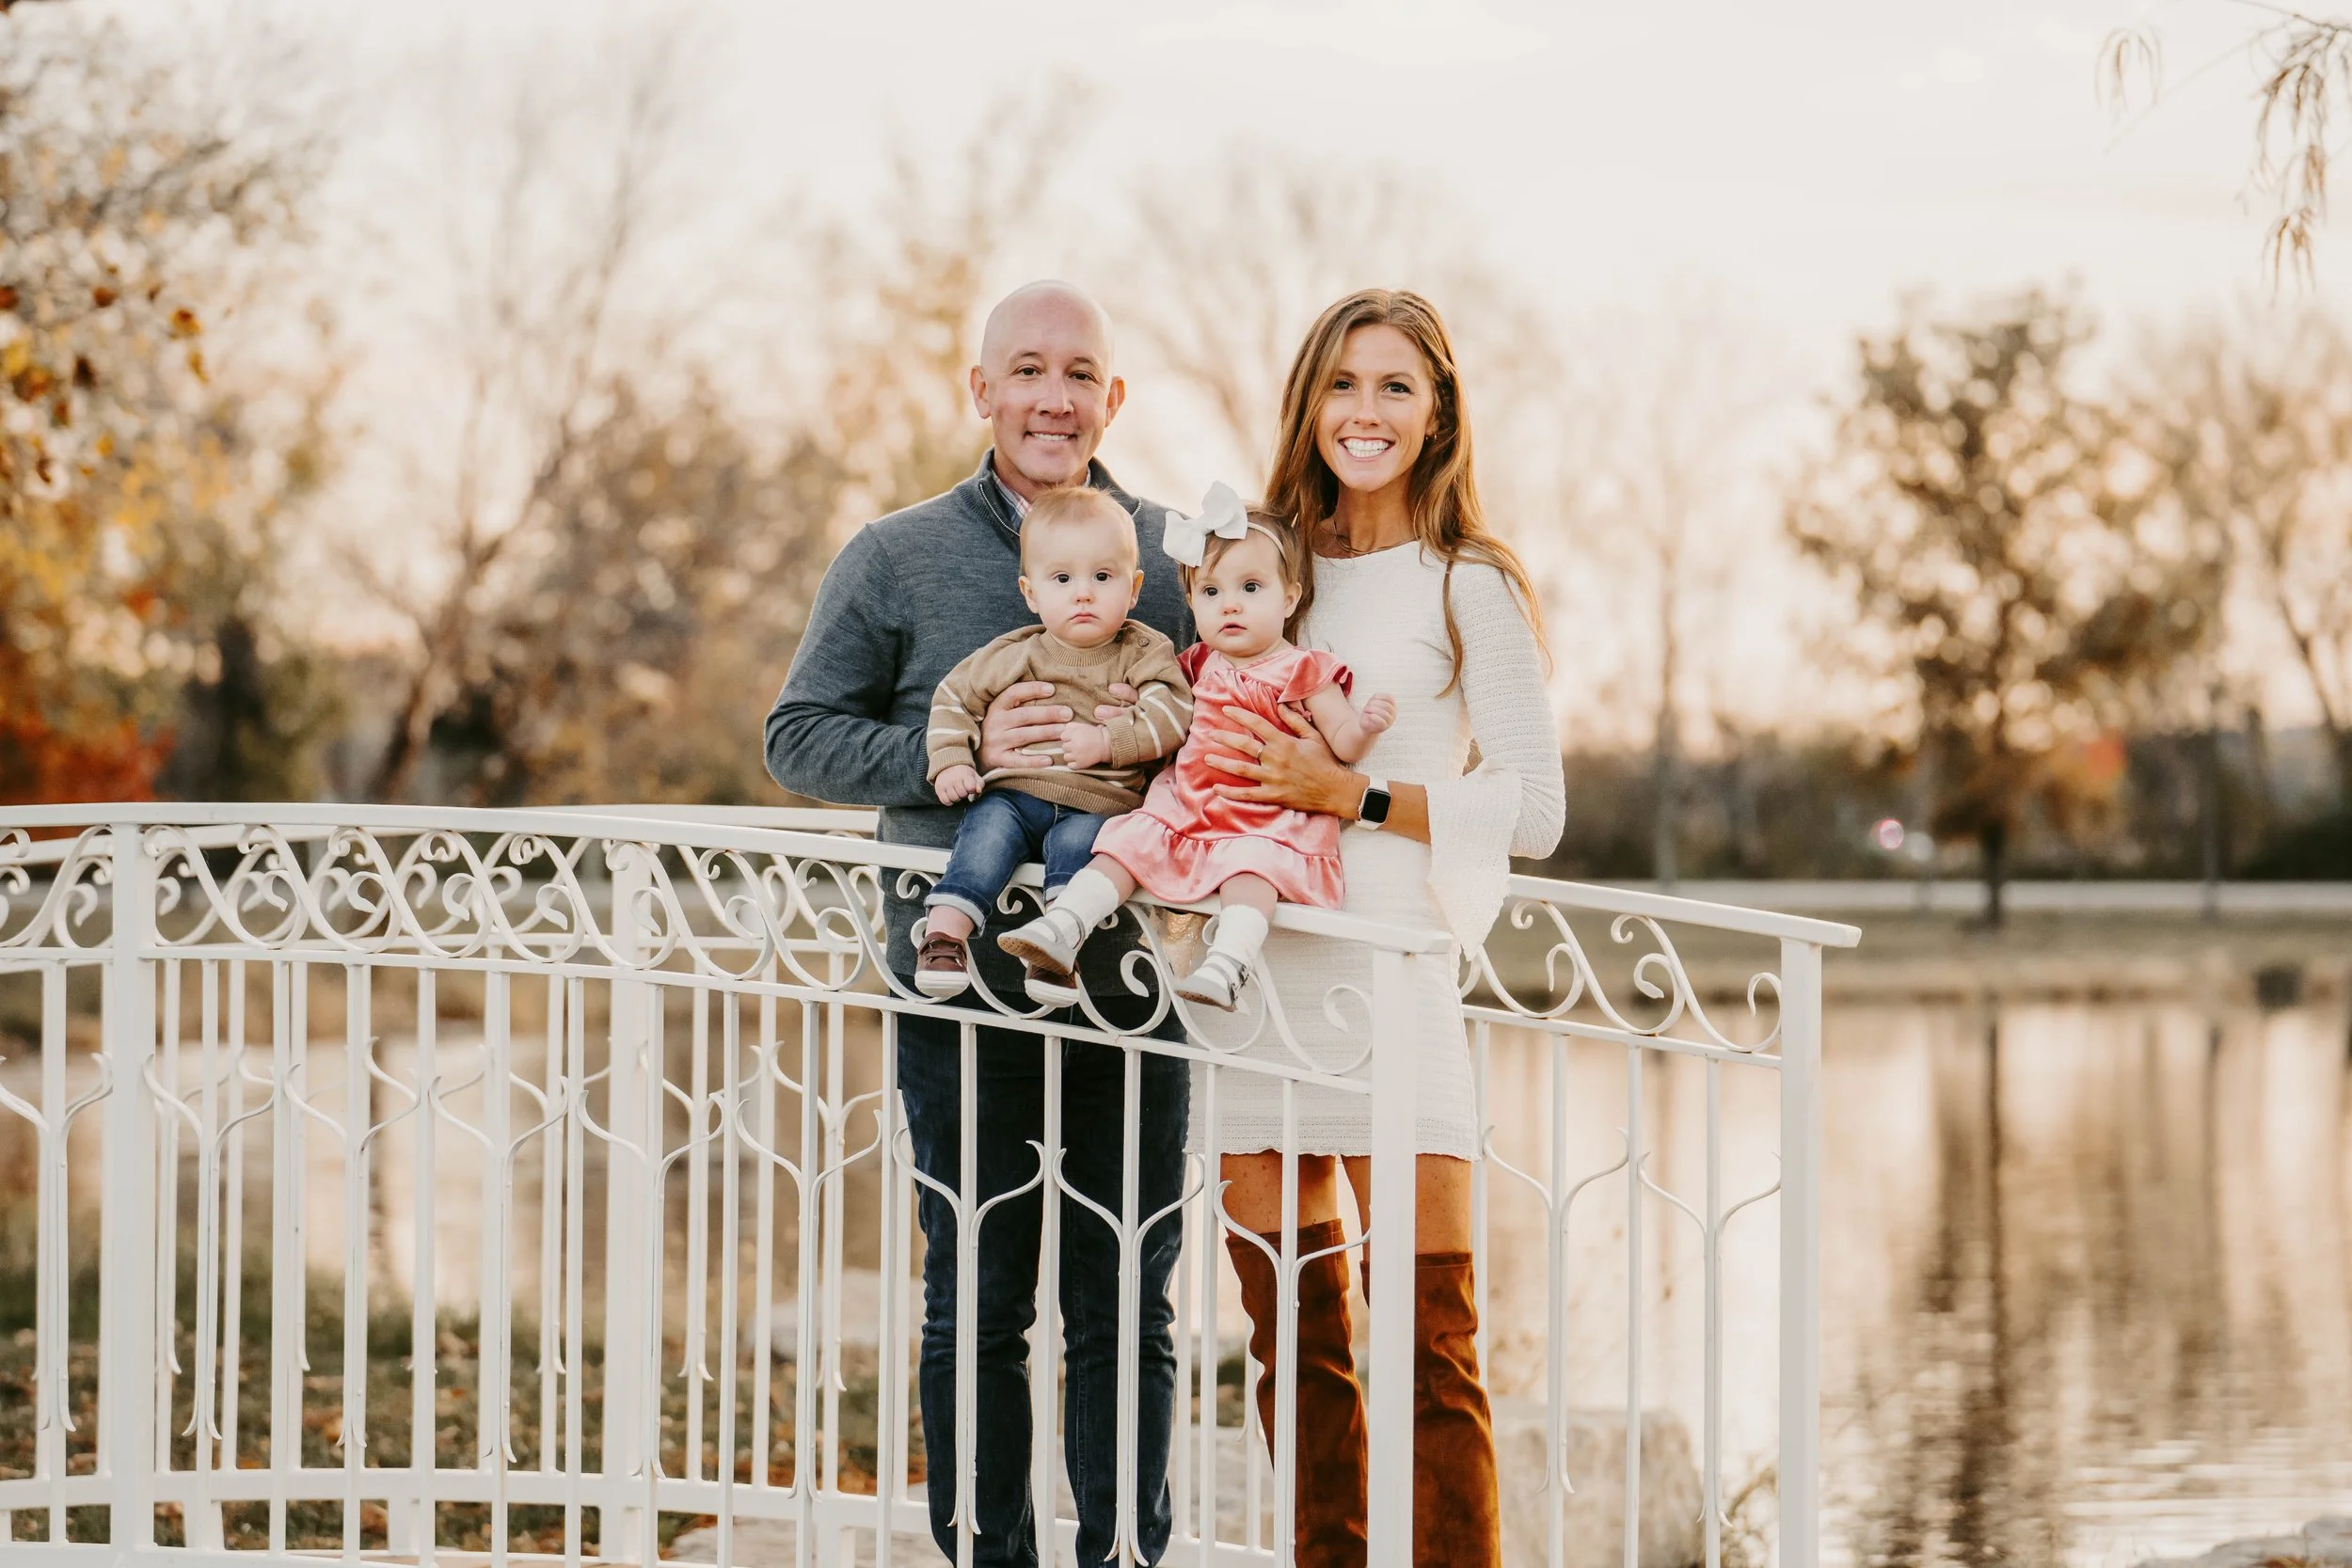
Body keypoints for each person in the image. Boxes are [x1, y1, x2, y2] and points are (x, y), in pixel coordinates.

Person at [763, 281, 1192, 1568]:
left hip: (1127, 967)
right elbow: (797, 735)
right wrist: (945, 757)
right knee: (980, 1295)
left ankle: (1125, 1553)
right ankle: (986, 1554)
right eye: (1027, 370)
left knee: (1125, 1297)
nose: (1053, 397)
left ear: (1113, 398)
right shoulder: (893, 553)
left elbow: (1227, 725)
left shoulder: (1172, 555)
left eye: (1079, 374)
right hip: (955, 976)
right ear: (981, 390)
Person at [1195, 290, 1564, 1568]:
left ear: (1438, 410)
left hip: (1398, 986)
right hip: (1258, 988)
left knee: (1432, 1346)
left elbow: (1535, 808)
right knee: (1298, 1347)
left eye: (1396, 385)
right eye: (1344, 384)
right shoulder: (1258, 568)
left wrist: (1350, 792)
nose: (1366, 410)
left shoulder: (1470, 582)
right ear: (1310, 404)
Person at [999, 488, 1394, 1010]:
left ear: (1290, 598)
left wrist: (1364, 727)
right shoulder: (1191, 664)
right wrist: (1126, 720)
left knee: (1252, 872)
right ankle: (1065, 927)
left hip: (1263, 815)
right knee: (1126, 843)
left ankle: (1228, 963)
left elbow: (1342, 741)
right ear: (1192, 601)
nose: (1229, 604)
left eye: (1250, 587)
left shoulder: (1303, 668)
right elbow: (1161, 722)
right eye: (1210, 592)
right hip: (1188, 805)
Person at [919, 484, 1193, 999]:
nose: (1083, 592)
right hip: (1014, 795)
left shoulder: (1143, 652)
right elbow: (954, 699)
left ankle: (1056, 954)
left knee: (1079, 854)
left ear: (1133, 589)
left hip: (1099, 801)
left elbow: (1174, 712)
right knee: (983, 841)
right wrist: (952, 758)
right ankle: (943, 935)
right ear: (1031, 593)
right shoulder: (1015, 653)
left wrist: (1110, 740)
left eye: (1103, 577)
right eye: (1063, 579)